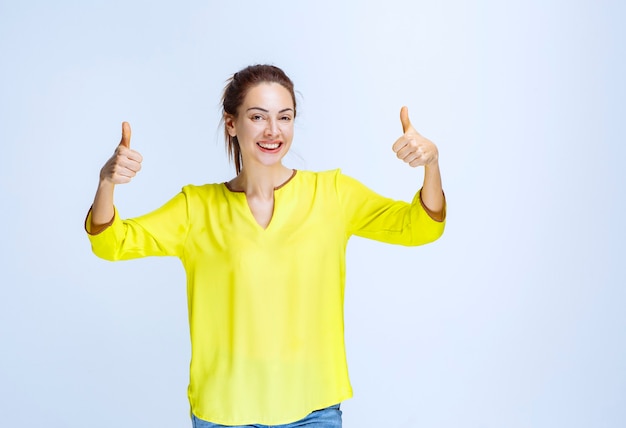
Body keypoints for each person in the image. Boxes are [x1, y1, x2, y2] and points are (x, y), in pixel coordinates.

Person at [85, 64, 446, 428]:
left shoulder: (333, 194)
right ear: (231, 123)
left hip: (313, 410)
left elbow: (418, 227)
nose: (273, 130)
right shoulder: (197, 208)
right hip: (223, 413)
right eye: (258, 117)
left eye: (284, 117)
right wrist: (106, 183)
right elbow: (111, 243)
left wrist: (431, 164)